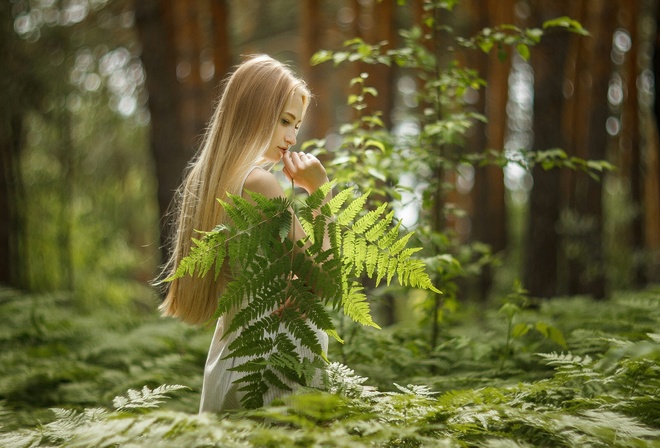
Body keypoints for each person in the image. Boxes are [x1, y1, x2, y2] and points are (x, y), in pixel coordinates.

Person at [158, 54, 331, 412]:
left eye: (297, 125)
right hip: (272, 367)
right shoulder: (259, 183)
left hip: (233, 357)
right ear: (253, 112)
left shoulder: (211, 180)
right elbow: (323, 279)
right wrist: (321, 192)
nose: (293, 137)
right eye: (285, 121)